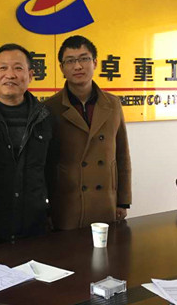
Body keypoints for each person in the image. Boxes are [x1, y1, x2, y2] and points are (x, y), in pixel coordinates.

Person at [0, 44, 54, 247]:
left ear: (30, 75)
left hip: (35, 225)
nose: (10, 75)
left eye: (18, 68)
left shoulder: (46, 117)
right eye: (3, 68)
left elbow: (52, 169)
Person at [45, 35, 131, 229]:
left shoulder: (113, 104)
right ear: (62, 68)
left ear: (95, 63)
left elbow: (122, 155)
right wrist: (46, 208)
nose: (78, 66)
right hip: (67, 206)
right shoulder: (50, 108)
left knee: (108, 248)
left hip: (106, 203)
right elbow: (45, 163)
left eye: (84, 59)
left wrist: (123, 201)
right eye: (70, 61)